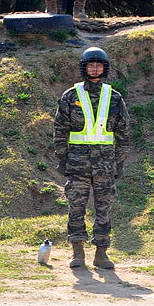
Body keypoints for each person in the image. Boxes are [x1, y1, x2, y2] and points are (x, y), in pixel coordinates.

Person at [52, 47, 131, 270]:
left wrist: (120, 162)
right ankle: (77, 252)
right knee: (76, 208)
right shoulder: (71, 96)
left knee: (104, 209)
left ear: (104, 68)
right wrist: (62, 160)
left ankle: (101, 254)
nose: (95, 68)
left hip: (105, 166)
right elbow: (60, 130)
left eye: (99, 65)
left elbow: (123, 132)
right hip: (77, 166)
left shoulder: (114, 98)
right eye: (90, 65)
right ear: (84, 67)